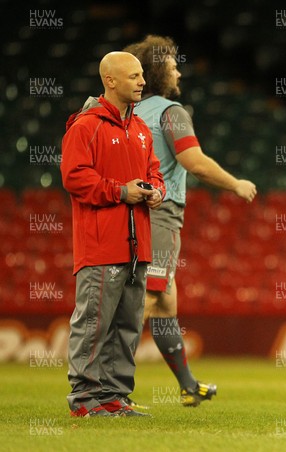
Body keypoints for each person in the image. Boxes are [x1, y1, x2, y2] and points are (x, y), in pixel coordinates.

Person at [122, 35, 257, 407]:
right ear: (157, 72)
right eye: (173, 65)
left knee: (164, 303)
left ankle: (186, 384)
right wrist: (236, 184)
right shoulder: (171, 111)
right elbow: (193, 162)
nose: (179, 70)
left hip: (131, 211)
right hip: (160, 213)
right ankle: (109, 388)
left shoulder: (128, 110)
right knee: (146, 299)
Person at [61, 51, 165, 417]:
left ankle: (114, 397)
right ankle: (85, 401)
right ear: (110, 81)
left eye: (141, 76)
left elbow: (155, 172)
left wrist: (155, 190)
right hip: (101, 245)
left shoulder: (139, 129)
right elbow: (74, 177)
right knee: (94, 325)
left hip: (139, 245)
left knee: (126, 327)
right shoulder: (85, 126)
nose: (141, 82)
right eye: (134, 76)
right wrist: (121, 191)